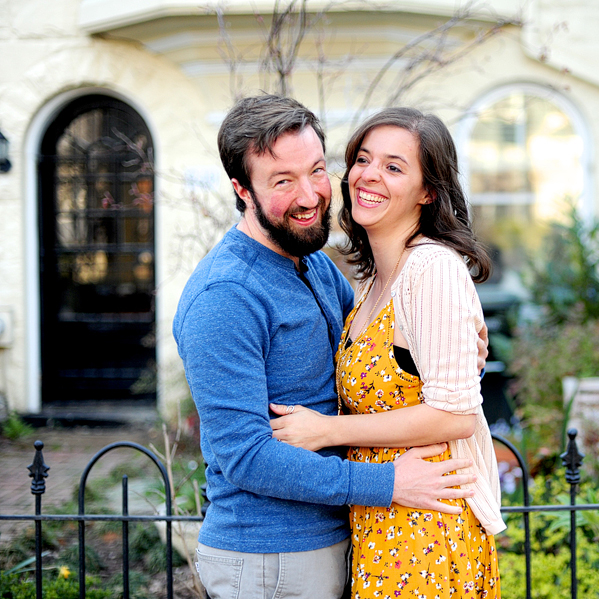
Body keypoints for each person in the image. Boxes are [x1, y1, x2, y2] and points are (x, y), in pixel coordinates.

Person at [173, 95, 483, 599]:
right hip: (269, 557)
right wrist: (384, 484)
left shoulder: (313, 264)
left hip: (349, 539)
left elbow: (392, 356)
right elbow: (246, 457)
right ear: (241, 190)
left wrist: (457, 342)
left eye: (316, 170)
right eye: (282, 181)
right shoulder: (225, 296)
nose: (309, 196)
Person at [269, 107, 504, 598]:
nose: (369, 176)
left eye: (394, 167)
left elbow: (456, 414)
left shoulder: (432, 269)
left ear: (427, 191)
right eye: (363, 159)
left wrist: (325, 430)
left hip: (426, 531)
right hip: (383, 522)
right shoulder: (374, 279)